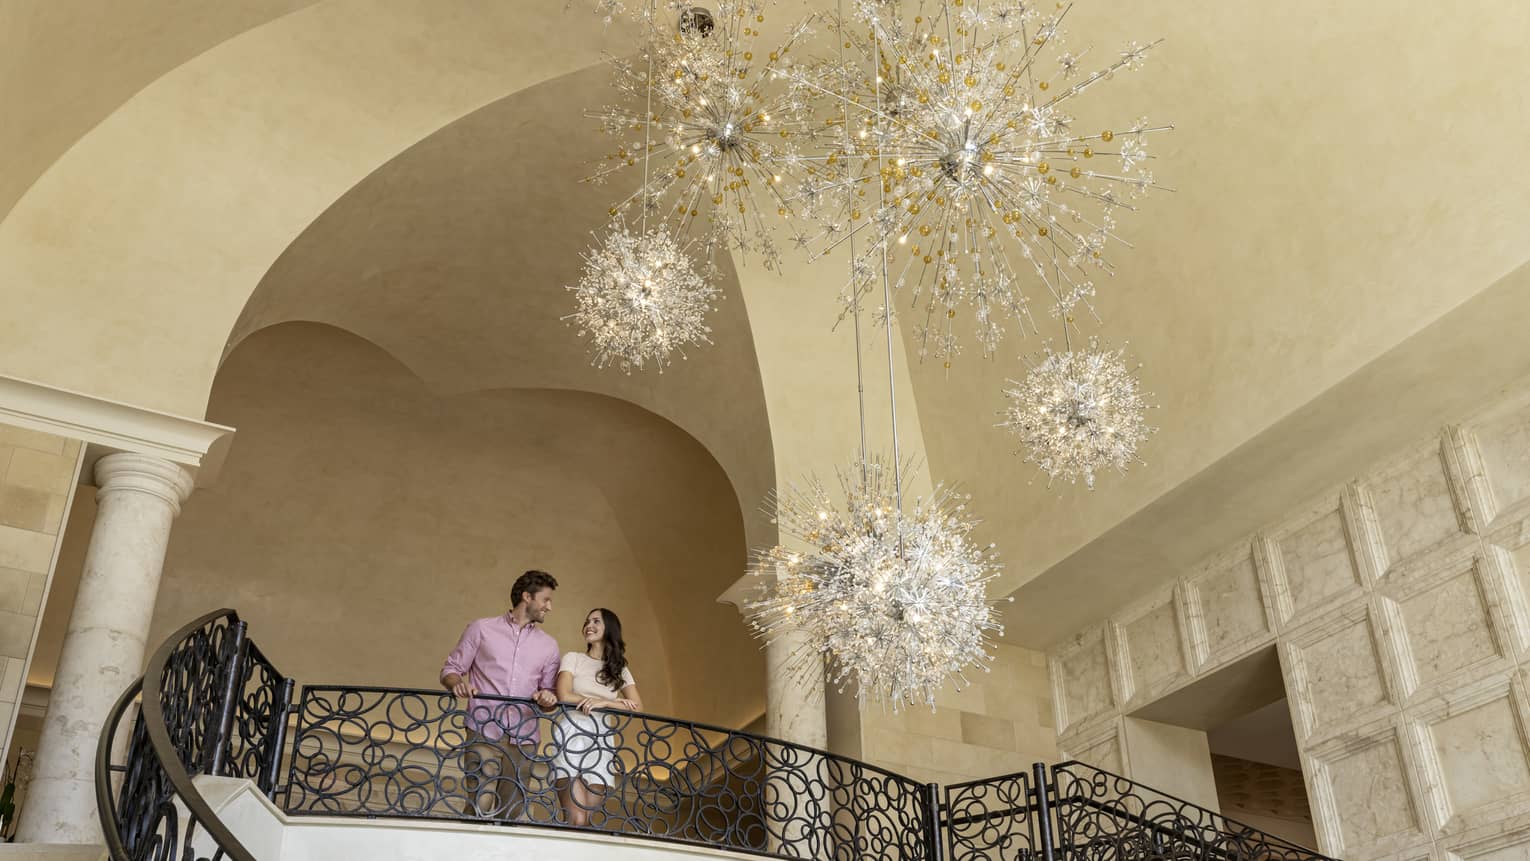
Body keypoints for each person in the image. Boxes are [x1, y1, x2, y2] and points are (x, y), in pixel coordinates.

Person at [440, 570, 561, 821]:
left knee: (515, 812)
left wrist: (547, 699)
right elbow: (451, 670)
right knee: (479, 804)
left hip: (525, 737)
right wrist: (457, 685)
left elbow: (550, 694)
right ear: (527, 597)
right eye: (545, 599)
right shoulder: (481, 629)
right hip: (483, 728)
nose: (549, 607)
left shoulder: (549, 646)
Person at [551, 607, 643, 827]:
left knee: (587, 818)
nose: (588, 626)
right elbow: (563, 695)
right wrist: (602, 701)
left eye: (596, 621)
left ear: (609, 628)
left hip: (602, 740)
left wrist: (607, 703)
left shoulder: (620, 669)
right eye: (587, 621)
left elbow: (638, 707)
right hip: (572, 732)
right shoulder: (573, 658)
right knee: (577, 817)